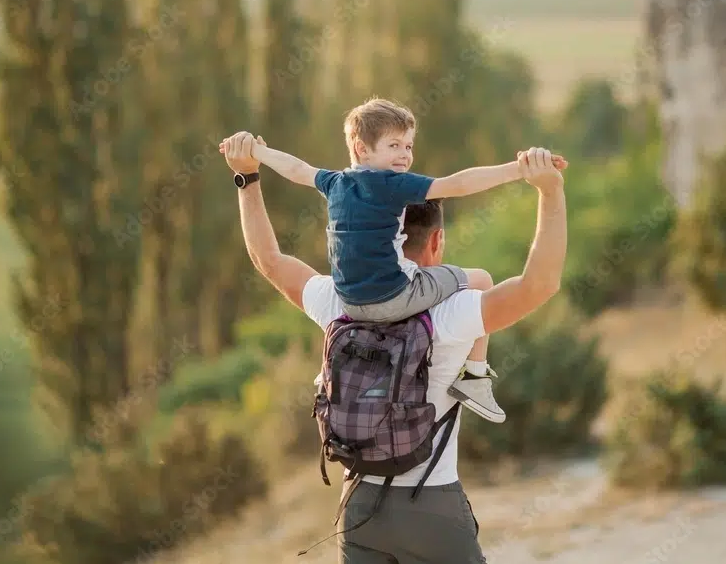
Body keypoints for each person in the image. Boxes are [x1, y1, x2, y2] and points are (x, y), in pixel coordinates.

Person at [221, 131, 568, 564]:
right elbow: (540, 283)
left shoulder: (339, 301)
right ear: (436, 242)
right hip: (432, 507)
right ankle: (476, 379)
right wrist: (549, 192)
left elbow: (269, 259)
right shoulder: (452, 312)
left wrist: (247, 179)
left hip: (357, 509)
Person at [224, 98, 565, 423]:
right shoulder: (392, 186)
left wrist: (255, 159)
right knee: (481, 278)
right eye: (394, 145)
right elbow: (458, 184)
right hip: (396, 299)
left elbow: (286, 199)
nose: (405, 155)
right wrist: (522, 172)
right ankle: (475, 375)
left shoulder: (334, 183)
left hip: (350, 305)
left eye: (408, 146)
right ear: (361, 148)